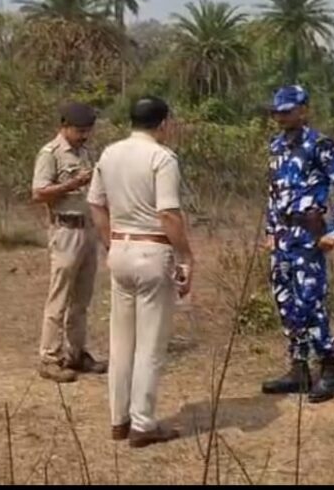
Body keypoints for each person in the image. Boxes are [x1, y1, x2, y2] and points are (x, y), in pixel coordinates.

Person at [87, 96, 193, 448]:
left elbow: (95, 202)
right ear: (163, 123)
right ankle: (144, 423)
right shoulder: (161, 158)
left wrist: (110, 242)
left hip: (121, 248)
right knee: (149, 344)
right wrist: (185, 255)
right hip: (152, 249)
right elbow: (168, 213)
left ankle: (119, 419)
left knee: (121, 342)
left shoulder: (109, 153)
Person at [261, 85, 334, 404]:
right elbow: (274, 192)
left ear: (303, 110)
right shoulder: (276, 145)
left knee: (310, 302)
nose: (281, 117)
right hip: (283, 235)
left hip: (308, 234)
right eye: (278, 112)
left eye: (287, 111)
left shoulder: (319, 144)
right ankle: (298, 368)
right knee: (285, 300)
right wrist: (270, 229)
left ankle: (329, 368)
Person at [31, 101, 108, 384]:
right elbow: (39, 193)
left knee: (82, 299)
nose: (84, 135)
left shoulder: (86, 152)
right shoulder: (50, 154)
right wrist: (72, 185)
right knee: (59, 298)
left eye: (87, 130)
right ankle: (49, 357)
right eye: (79, 130)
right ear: (64, 127)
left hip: (87, 229)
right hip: (65, 231)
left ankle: (76, 353)